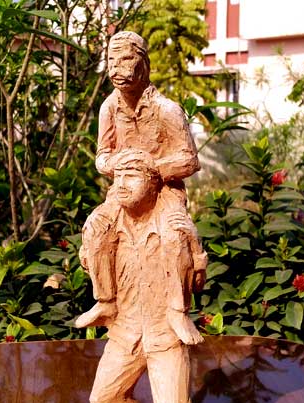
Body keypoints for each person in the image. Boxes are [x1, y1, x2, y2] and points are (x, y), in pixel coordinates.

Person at [78, 150, 201, 403]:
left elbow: (197, 281)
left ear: (153, 183)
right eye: (117, 177)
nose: (121, 185)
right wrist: (91, 236)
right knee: (103, 397)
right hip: (127, 330)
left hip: (165, 333)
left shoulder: (171, 223)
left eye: (130, 176)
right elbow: (88, 260)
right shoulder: (110, 221)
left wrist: (193, 245)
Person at [76, 30, 207, 345]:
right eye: (111, 61)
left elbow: (190, 160)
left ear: (143, 63)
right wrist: (117, 165)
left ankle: (177, 310)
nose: (115, 69)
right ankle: (106, 301)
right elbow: (101, 156)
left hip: (164, 193)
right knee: (96, 227)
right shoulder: (109, 108)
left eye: (125, 60)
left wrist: (151, 170)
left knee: (175, 234)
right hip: (123, 189)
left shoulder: (167, 109)